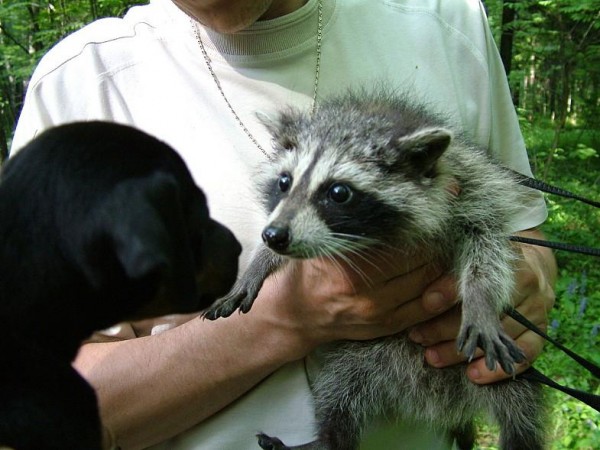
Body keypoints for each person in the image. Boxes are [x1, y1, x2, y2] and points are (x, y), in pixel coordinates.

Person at [11, 0, 557, 449]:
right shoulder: (84, 82)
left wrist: (523, 288)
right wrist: (282, 321)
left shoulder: (446, 21)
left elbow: (521, 235)